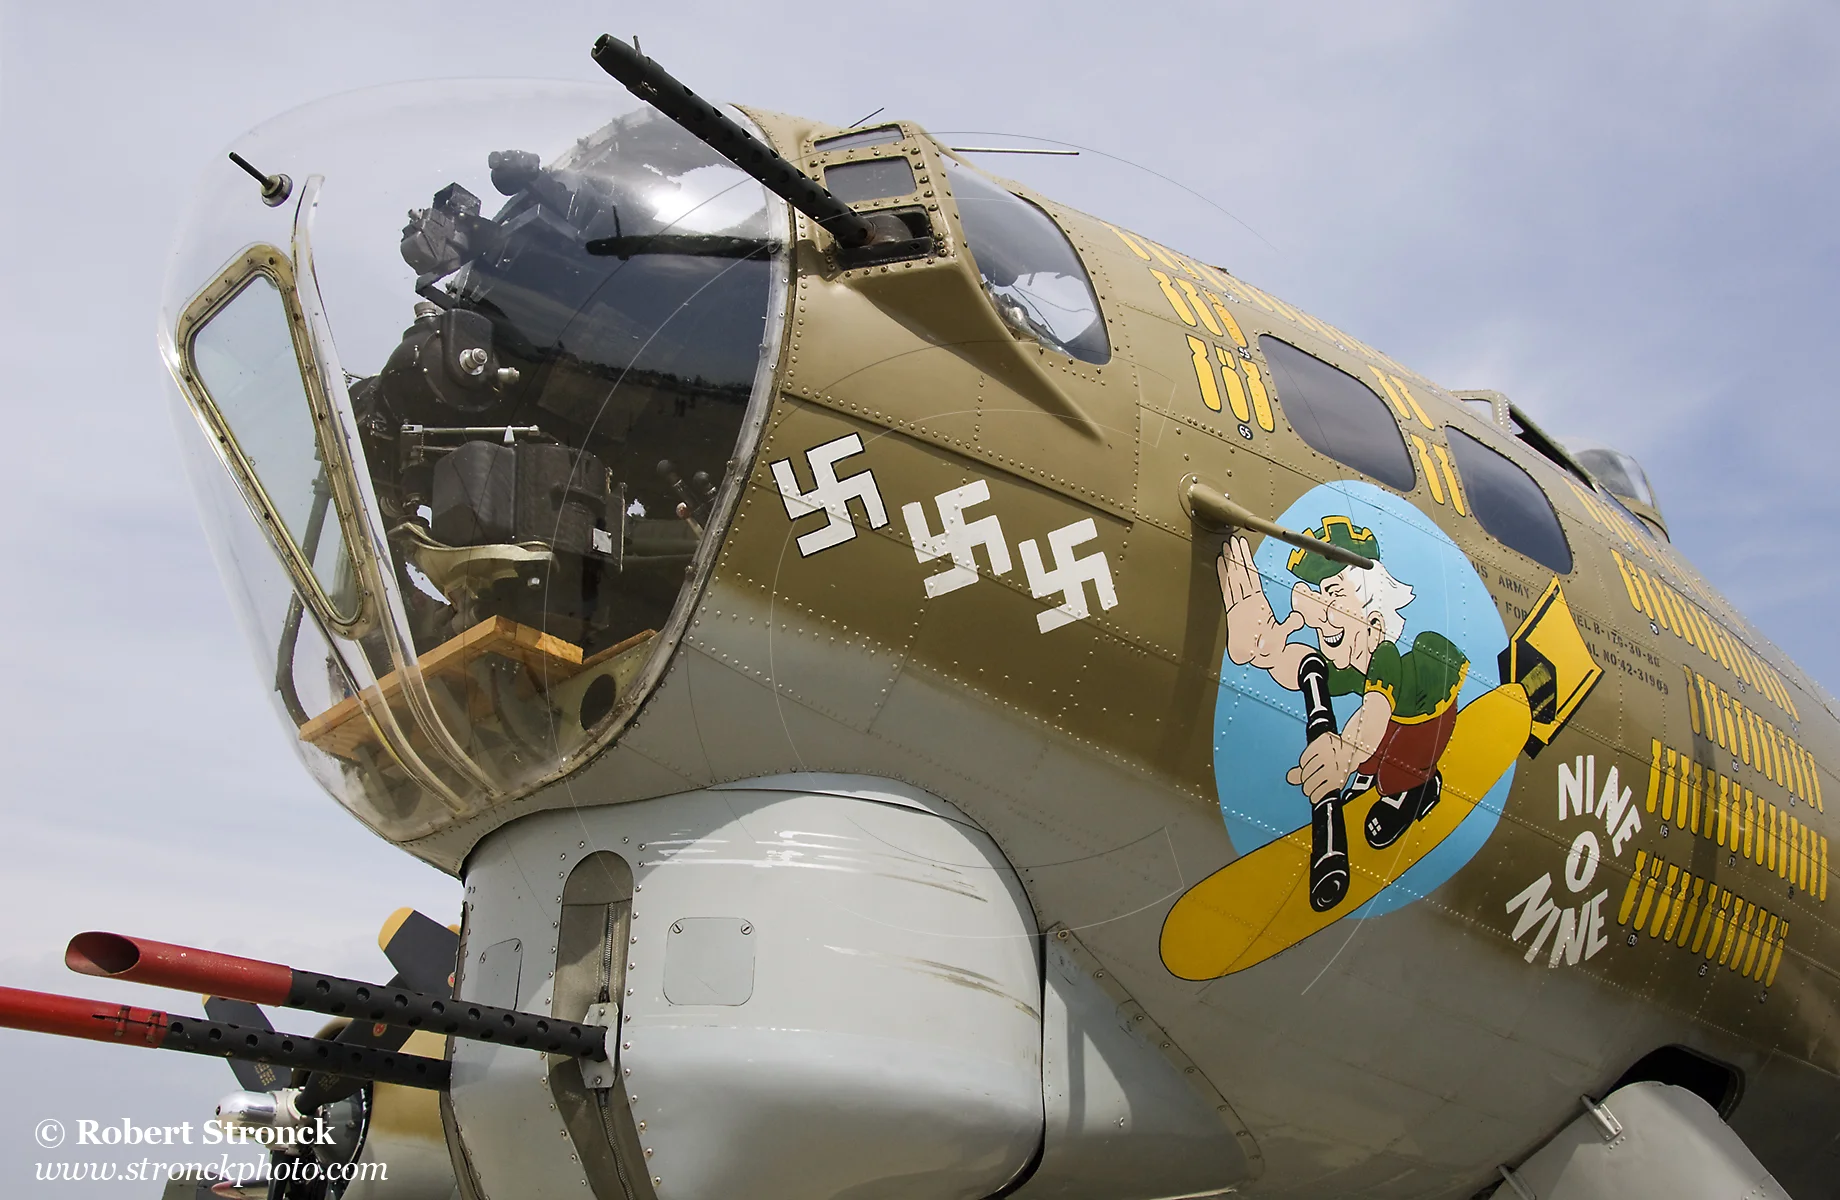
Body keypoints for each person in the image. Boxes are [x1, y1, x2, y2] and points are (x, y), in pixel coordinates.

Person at [1218, 517, 1469, 911]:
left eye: (1333, 594)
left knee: (1396, 754)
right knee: (1372, 751)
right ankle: (1374, 774)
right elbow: (1306, 667)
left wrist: (1344, 755)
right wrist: (1263, 650)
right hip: (1385, 724)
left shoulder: (1384, 655)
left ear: (1372, 616)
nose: (1319, 613)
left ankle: (1414, 787)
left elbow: (1374, 713)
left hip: (1422, 718)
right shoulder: (1352, 663)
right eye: (1317, 596)